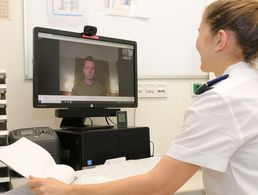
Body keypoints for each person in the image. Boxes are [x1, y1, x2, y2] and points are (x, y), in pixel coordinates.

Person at [28, 0, 258, 194]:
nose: (196, 42)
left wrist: (70, 191)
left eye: (199, 33)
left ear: (220, 40)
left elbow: (159, 186)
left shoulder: (223, 99)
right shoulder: (247, 85)